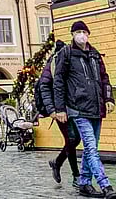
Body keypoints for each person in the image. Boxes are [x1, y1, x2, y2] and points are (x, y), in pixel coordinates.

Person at [53, 20, 116, 198]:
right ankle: (105, 185)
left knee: (91, 148)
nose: (81, 35)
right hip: (78, 108)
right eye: (77, 32)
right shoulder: (66, 53)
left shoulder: (95, 54)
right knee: (91, 147)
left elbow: (104, 78)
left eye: (84, 32)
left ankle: (84, 183)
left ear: (88, 34)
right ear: (72, 35)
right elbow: (58, 82)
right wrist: (60, 108)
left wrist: (109, 98)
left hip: (96, 108)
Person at [39, 39, 81, 187]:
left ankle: (57, 162)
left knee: (75, 139)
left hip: (73, 106)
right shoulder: (52, 64)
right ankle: (76, 176)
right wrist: (52, 110)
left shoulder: (70, 62)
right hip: (59, 109)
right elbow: (44, 87)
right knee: (72, 139)